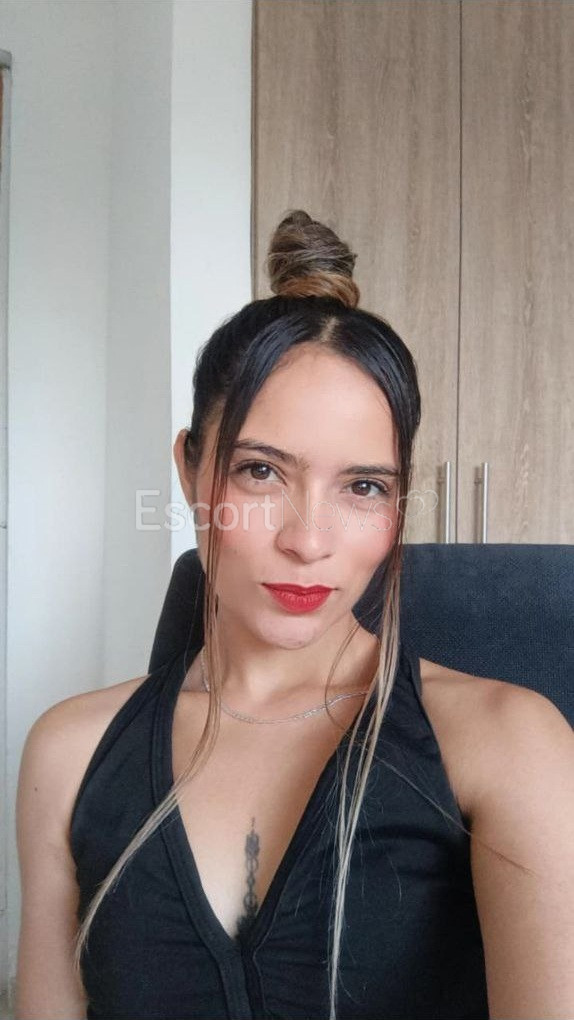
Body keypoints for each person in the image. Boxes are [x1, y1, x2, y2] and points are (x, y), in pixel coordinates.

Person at [15, 210, 574, 1020]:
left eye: (364, 486)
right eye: (260, 471)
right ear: (189, 469)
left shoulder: (509, 745)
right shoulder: (69, 756)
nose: (308, 541)